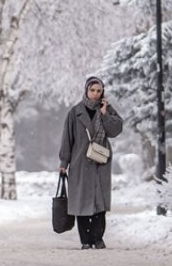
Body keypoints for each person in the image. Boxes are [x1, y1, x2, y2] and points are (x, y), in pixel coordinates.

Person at [58, 76, 123, 249]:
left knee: (99, 202)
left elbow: (116, 130)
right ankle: (85, 240)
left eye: (98, 91)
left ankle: (98, 238)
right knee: (81, 202)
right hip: (80, 162)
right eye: (92, 90)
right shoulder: (75, 112)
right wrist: (64, 162)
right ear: (86, 90)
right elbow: (67, 138)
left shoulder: (107, 109)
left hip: (101, 162)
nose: (95, 94)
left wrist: (105, 115)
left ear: (102, 92)